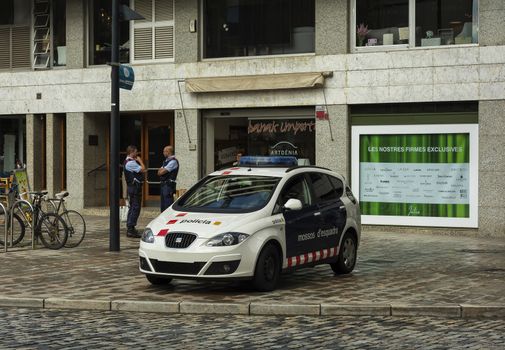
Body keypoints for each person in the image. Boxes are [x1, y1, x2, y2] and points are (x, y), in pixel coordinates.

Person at [123, 145, 146, 238]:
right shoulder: (131, 163)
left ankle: (130, 226)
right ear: (132, 152)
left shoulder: (128, 161)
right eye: (136, 152)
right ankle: (131, 228)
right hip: (134, 188)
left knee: (132, 207)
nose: (137, 154)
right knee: (135, 207)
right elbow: (143, 169)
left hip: (132, 187)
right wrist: (140, 161)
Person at [158, 145, 179, 212]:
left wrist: (161, 171)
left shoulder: (173, 161)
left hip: (168, 186)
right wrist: (161, 171)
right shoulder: (166, 161)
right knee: (163, 206)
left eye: (164, 151)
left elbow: (161, 172)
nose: (163, 153)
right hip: (164, 185)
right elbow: (158, 172)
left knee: (167, 206)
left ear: (169, 152)